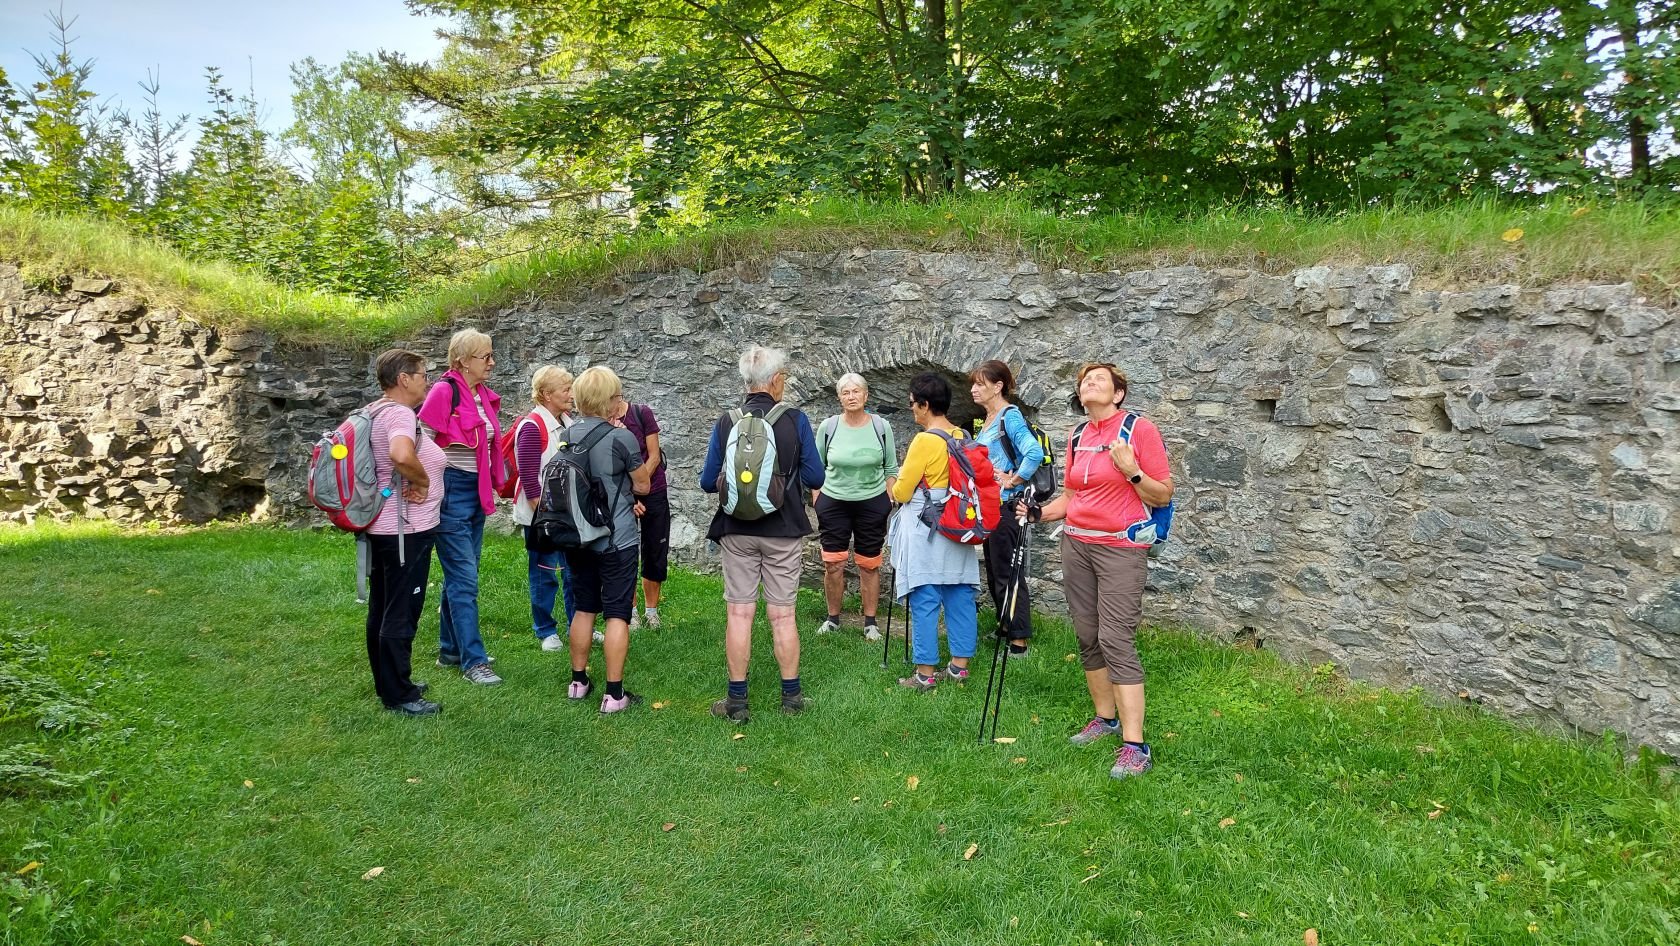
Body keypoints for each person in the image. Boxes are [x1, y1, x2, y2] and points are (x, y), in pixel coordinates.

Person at [1019, 363, 1174, 779]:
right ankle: (1105, 719)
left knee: (1115, 638)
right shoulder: (1077, 435)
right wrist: (1036, 513)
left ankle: (1136, 746)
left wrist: (1132, 471)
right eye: (1085, 380)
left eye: (1099, 379)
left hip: (1120, 548)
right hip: (1077, 545)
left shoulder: (1139, 430)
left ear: (1118, 393)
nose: (1089, 383)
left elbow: (1162, 493)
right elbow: (1072, 497)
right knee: (1088, 635)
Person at [699, 345, 825, 723]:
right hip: (784, 530)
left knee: (739, 613)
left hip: (736, 529)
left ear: (746, 382)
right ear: (775, 380)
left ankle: (737, 702)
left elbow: (707, 481)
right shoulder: (795, 420)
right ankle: (792, 698)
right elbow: (815, 476)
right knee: (782, 615)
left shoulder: (727, 421)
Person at [417, 328, 507, 686]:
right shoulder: (444, 391)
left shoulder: (481, 394)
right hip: (451, 489)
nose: (492, 362)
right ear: (462, 361)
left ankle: (450, 650)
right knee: (464, 579)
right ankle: (474, 661)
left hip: (475, 489)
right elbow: (420, 440)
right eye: (486, 356)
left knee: (461, 575)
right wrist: (427, 485)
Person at [562, 366, 652, 713]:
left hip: (579, 535)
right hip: (617, 538)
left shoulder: (568, 434)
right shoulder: (621, 438)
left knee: (584, 607)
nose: (620, 401)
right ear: (608, 401)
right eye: (617, 396)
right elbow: (643, 484)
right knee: (617, 613)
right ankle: (614, 695)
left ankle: (578, 682)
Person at [363, 349, 447, 715]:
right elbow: (400, 454)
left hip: (383, 526)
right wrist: (423, 480)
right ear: (404, 379)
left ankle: (389, 683)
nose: (427, 381)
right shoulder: (398, 413)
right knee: (401, 610)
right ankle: (400, 696)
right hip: (404, 530)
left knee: (383, 606)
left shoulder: (375, 410)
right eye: (423, 374)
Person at [888, 372, 981, 692]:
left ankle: (925, 674)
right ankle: (959, 668)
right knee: (960, 594)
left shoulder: (925, 440)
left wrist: (894, 482)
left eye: (913, 403)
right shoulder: (962, 435)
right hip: (960, 523)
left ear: (925, 405)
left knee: (926, 597)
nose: (912, 409)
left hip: (927, 527)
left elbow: (902, 492)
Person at [813, 373, 897, 641]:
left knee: (869, 564)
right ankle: (833, 619)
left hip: (872, 502)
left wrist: (888, 499)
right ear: (839, 398)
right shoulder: (828, 427)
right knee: (833, 564)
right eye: (846, 392)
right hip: (833, 502)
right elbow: (816, 467)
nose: (851, 397)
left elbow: (891, 468)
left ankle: (870, 623)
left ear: (866, 395)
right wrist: (818, 499)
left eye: (856, 391)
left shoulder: (881, 427)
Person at [970, 360, 1045, 657]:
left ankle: (1019, 642)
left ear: (998, 386)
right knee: (995, 570)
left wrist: (1014, 479)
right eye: (973, 383)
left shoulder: (1009, 416)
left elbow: (1033, 452)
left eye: (980, 383)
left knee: (1008, 573)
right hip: (992, 507)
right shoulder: (989, 419)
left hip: (1007, 507)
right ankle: (1005, 626)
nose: (974, 389)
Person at [513, 365, 577, 652]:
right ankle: (546, 630)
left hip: (568, 516)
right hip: (543, 518)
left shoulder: (569, 424)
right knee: (545, 572)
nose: (572, 394)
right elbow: (530, 481)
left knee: (574, 572)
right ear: (547, 394)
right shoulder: (532, 427)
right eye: (566, 389)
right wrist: (547, 519)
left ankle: (577, 625)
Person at [616, 397, 669, 630]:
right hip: (622, 495)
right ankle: (631, 612)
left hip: (654, 490)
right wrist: (630, 495)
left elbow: (654, 456)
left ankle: (651, 612)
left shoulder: (641, 413)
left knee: (655, 549)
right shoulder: (604, 420)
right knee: (625, 551)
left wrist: (641, 485)